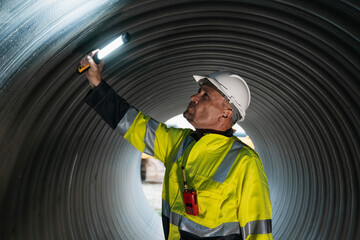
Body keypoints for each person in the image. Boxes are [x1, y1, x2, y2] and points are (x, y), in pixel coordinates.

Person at [80, 50, 273, 240]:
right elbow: (134, 125)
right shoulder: (178, 143)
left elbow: (258, 233)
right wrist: (97, 83)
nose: (193, 97)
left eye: (205, 95)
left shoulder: (244, 163)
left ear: (226, 113)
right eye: (198, 91)